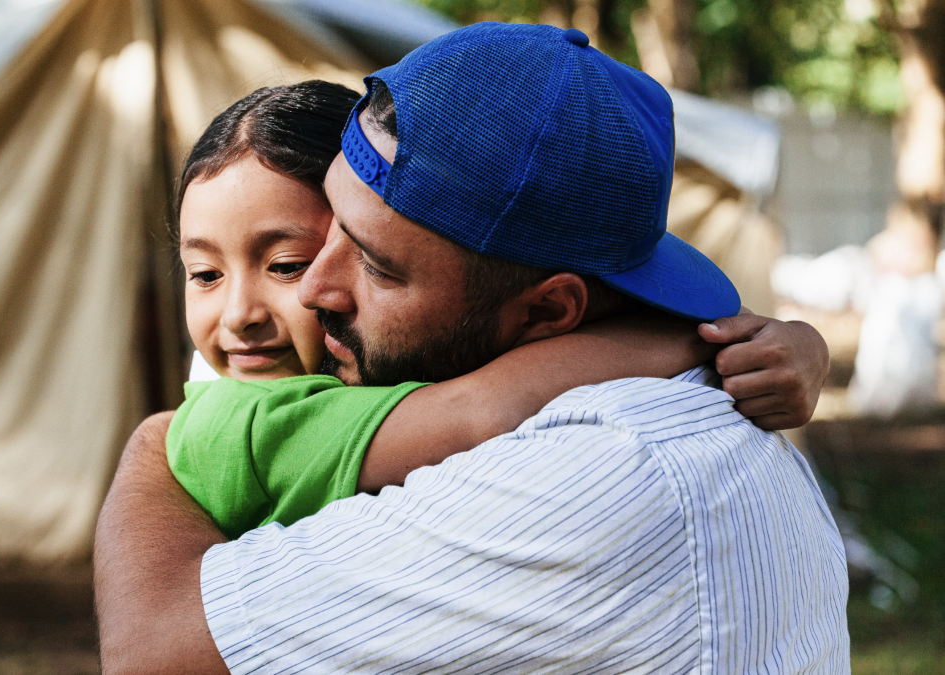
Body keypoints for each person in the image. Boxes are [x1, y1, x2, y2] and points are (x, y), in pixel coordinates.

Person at [96, 23, 846, 675]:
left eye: (375, 264)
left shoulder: (592, 473)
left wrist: (153, 446)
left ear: (551, 309)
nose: (316, 292)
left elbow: (154, 650)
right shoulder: (707, 397)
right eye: (326, 238)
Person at [169, 81, 812, 540]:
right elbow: (483, 406)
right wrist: (696, 342)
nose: (238, 315)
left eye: (288, 263)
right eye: (203, 274)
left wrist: (796, 345)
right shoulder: (237, 422)